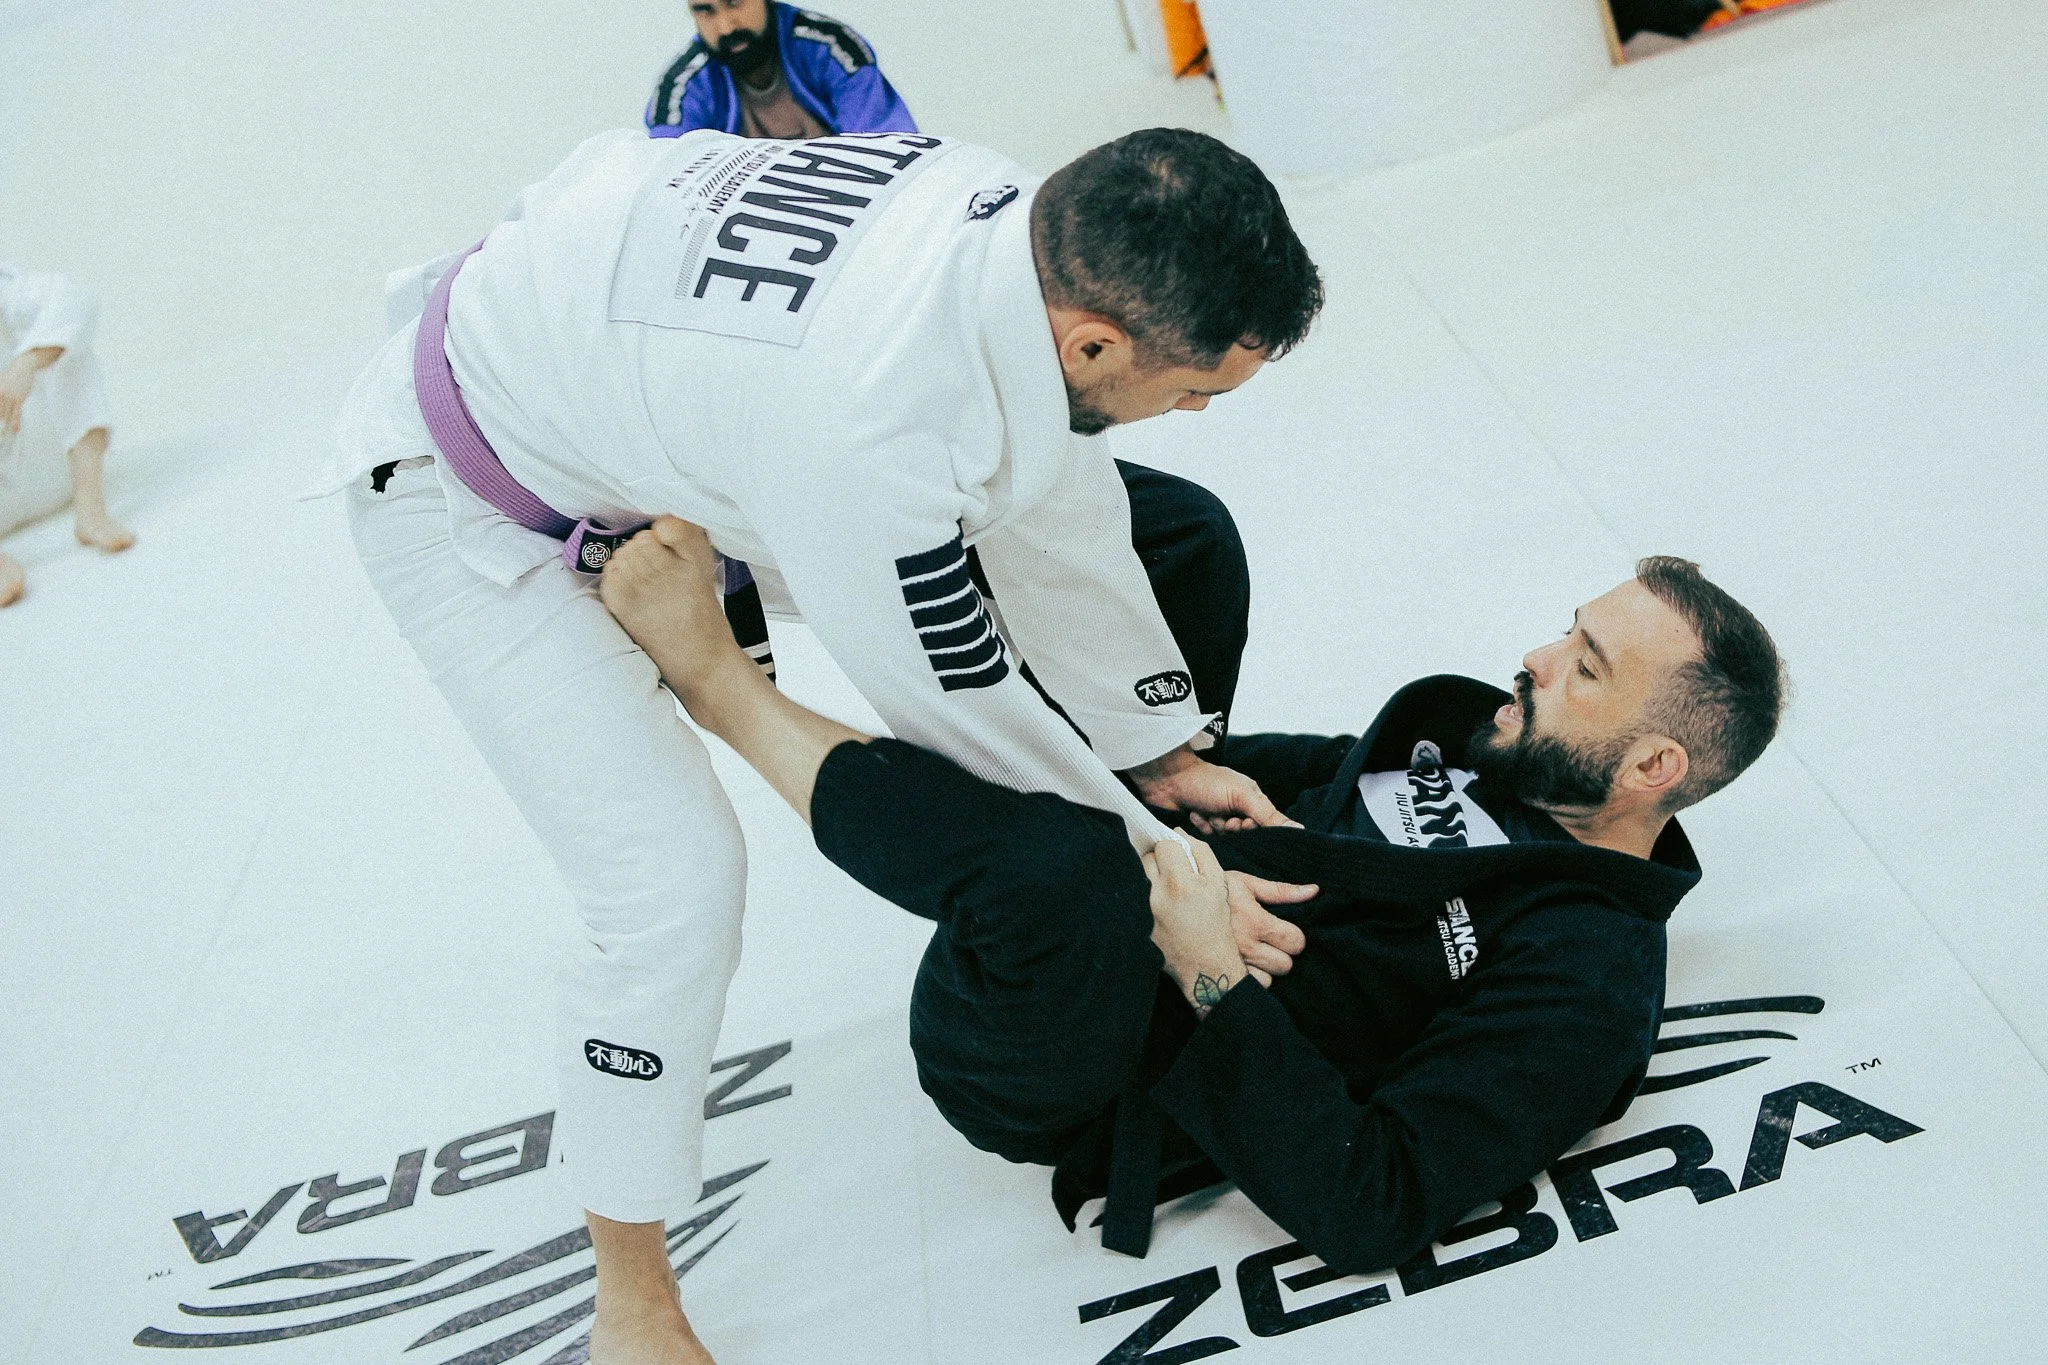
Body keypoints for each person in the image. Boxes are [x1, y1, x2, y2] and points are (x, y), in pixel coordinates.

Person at [328, 124, 1322, 1361]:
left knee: (1176, 537)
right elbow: (964, 717)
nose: (1198, 412)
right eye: (1193, 390)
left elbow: (1055, 506)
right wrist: (1168, 881)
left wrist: (1159, 750)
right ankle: (630, 1302)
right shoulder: (869, 422)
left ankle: (1110, 937)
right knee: (671, 892)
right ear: (1091, 343)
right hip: (468, 486)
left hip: (661, 399)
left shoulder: (1024, 225)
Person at [600, 515, 1788, 1272]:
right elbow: (1266, 776)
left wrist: (1210, 969)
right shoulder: (1484, 754)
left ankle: (717, 682)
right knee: (1182, 541)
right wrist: (1165, 771)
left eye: (1582, 669)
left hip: (1088, 1049)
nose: (1532, 658)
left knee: (1057, 874)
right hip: (1130, 878)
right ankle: (782, 525)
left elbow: (1374, 1203)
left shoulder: (1586, 978)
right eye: (1565, 635)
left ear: (1651, 768)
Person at [0, 264, 134, 606]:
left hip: (50, 470)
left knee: (66, 346)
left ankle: (91, 513)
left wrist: (27, 362)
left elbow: (73, 297)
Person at [646, 0, 916, 142]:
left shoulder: (832, 49)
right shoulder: (681, 89)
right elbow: (669, 190)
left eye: (734, 2)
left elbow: (892, 153)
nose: (726, 26)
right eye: (705, 10)